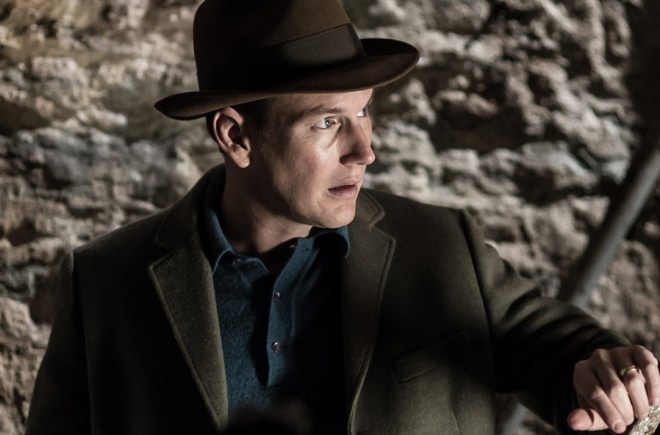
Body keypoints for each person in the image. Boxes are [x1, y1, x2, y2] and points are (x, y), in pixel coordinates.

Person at [26, 0, 660, 434]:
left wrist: (611, 377)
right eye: (328, 122)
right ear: (236, 137)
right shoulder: (107, 282)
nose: (365, 150)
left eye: (364, 112)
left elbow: (563, 351)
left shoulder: (439, 246)